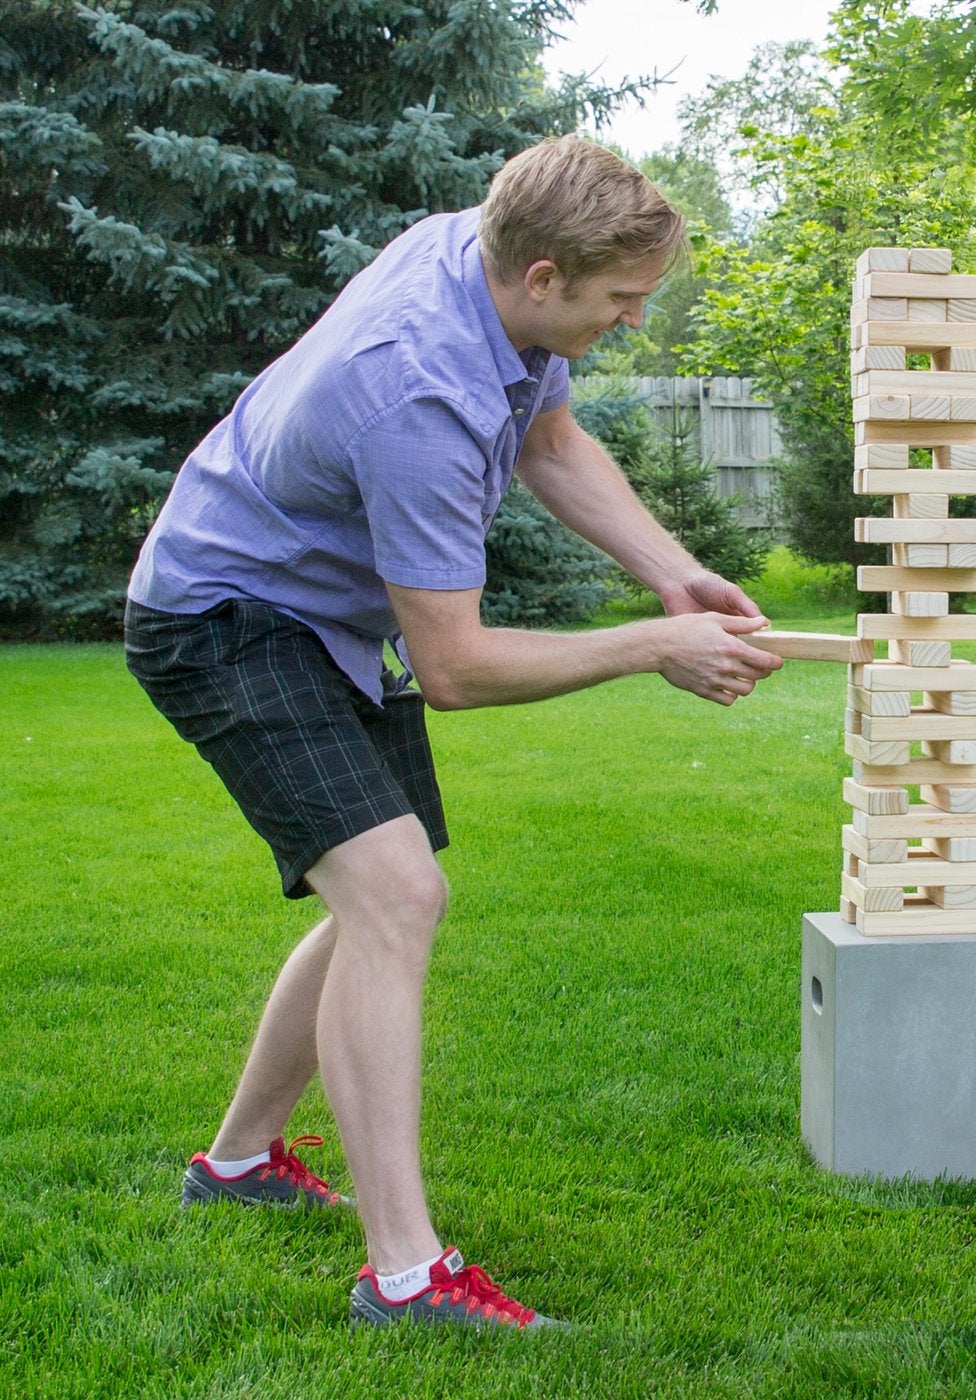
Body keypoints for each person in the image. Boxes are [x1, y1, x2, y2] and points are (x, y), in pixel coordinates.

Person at [124, 135, 783, 1330]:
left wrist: (676, 576)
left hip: (310, 612)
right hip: (225, 617)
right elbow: (460, 665)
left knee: (383, 890)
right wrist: (650, 645)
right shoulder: (418, 391)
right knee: (393, 895)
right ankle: (406, 1274)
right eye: (622, 301)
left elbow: (550, 441)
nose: (633, 321)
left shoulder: (477, 257)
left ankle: (237, 1163)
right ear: (541, 276)